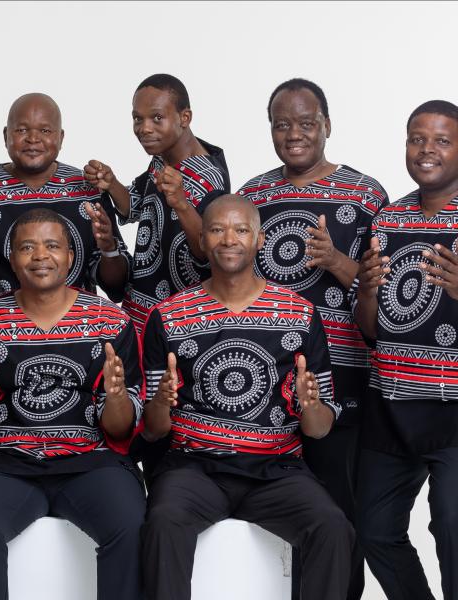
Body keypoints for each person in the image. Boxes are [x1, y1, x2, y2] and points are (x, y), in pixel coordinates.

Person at [140, 194, 353, 600]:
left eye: (241, 230)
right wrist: (161, 402)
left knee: (332, 526)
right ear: (202, 240)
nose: (229, 239)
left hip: (276, 470)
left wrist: (311, 407)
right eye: (217, 230)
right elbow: (152, 430)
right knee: (163, 523)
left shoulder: (299, 314)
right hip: (194, 467)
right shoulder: (167, 315)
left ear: (259, 240)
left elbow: (321, 428)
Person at [237, 77, 388, 599]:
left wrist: (335, 262)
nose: (294, 134)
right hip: (264, 375)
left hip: (341, 373)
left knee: (337, 506)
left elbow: (388, 295)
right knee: (284, 504)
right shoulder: (254, 195)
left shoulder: (365, 194)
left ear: (327, 125)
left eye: (306, 123)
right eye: (282, 125)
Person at [0, 208, 145, 600]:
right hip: (4, 463)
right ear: (12, 258)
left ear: (71, 257)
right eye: (27, 247)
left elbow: (121, 430)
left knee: (132, 524)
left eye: (52, 245)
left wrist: (119, 395)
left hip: (92, 461)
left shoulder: (111, 321)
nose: (41, 256)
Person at [354, 100, 458, 600]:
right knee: (373, 531)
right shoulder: (387, 219)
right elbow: (370, 329)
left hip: (454, 412)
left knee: (454, 534)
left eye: (441, 140)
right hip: (390, 402)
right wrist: (369, 290)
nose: (427, 150)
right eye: (417, 139)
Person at [0, 93, 130, 313]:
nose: (33, 138)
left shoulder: (89, 193)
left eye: (45, 130)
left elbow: (115, 286)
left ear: (61, 137)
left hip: (78, 333)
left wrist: (109, 249)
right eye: (22, 130)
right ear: (6, 136)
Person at [84, 73, 230, 334]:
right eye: (137, 118)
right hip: (143, 314)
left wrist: (182, 203)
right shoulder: (163, 160)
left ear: (185, 118)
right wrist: (112, 183)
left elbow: (212, 252)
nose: (144, 128)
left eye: (157, 118)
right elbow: (137, 206)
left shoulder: (208, 178)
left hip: (183, 322)